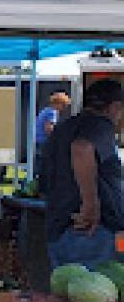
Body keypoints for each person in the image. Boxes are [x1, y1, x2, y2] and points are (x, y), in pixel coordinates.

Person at [42, 78, 124, 270]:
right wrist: (90, 205)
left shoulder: (63, 128)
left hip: (60, 229)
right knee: (102, 285)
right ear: (114, 107)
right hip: (92, 233)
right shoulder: (99, 125)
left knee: (67, 287)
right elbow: (82, 148)